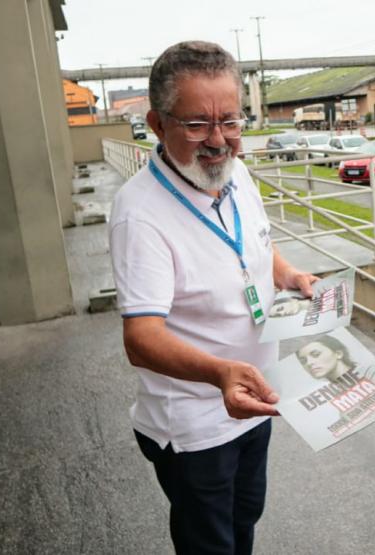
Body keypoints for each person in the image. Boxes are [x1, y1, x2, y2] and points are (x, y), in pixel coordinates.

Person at [109, 41, 316, 555]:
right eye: (198, 124)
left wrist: (287, 273)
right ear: (157, 125)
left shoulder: (235, 173)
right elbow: (141, 339)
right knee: (210, 545)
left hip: (256, 398)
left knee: (245, 521)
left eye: (230, 120)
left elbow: (255, 244)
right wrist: (221, 373)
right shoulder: (140, 215)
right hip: (195, 425)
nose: (219, 140)